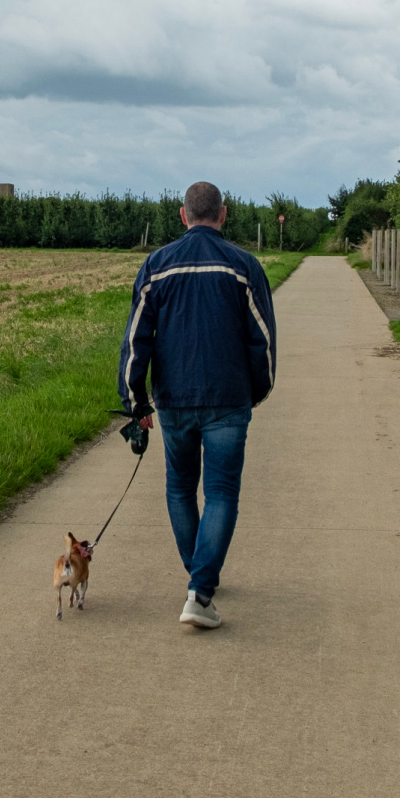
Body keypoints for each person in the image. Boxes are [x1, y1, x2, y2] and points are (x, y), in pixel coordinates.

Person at [118, 181, 277, 629]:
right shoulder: (244, 266)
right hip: (228, 398)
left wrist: (135, 400)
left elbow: (136, 338)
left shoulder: (156, 265)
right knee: (222, 492)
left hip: (175, 401)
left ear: (183, 215)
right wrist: (257, 390)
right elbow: (261, 340)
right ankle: (201, 589)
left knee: (180, 488)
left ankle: (200, 576)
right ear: (223, 215)